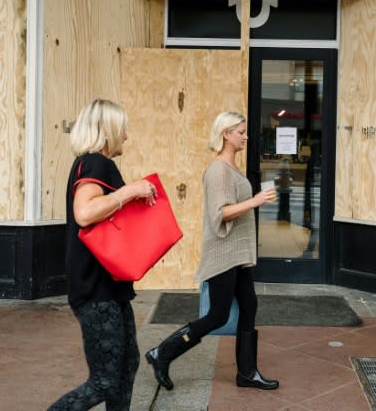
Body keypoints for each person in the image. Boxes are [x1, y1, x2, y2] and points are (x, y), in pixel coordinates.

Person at [145, 111, 279, 392]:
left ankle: (247, 373)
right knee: (217, 315)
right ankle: (162, 353)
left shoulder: (231, 167)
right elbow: (221, 213)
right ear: (225, 134)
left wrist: (255, 200)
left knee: (249, 306)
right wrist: (255, 201)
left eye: (244, 131)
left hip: (237, 254)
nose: (245, 136)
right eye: (240, 131)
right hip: (223, 254)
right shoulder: (218, 170)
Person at [48, 98, 158, 411]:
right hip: (96, 290)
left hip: (108, 287)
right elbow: (84, 213)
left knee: (127, 366)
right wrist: (130, 191)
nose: (126, 136)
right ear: (108, 130)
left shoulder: (92, 163)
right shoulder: (96, 163)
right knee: (105, 379)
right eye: (122, 129)